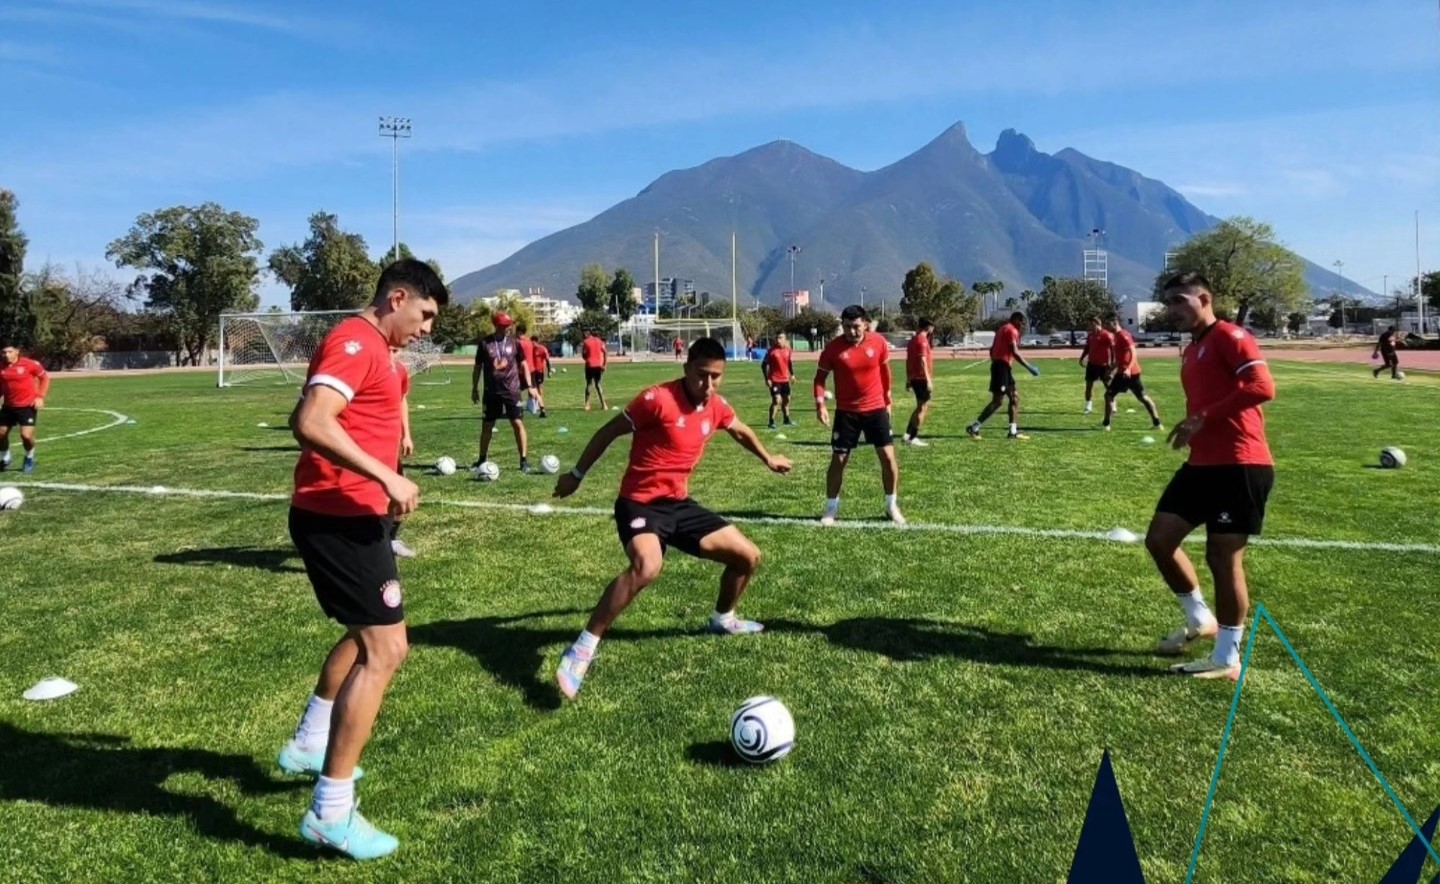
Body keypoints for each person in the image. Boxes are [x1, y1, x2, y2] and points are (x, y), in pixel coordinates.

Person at [278, 258, 446, 859]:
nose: (426, 327)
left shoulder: (380, 352)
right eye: (423, 314)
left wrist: (384, 485)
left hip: (355, 514)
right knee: (386, 648)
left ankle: (308, 742)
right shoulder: (355, 341)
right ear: (397, 297)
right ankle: (331, 810)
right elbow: (311, 421)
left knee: (364, 635)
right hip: (337, 517)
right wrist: (385, 477)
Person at [551, 338, 791, 699]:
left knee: (748, 556)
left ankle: (723, 619)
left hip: (678, 505)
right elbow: (607, 432)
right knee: (648, 566)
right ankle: (582, 648)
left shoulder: (716, 406)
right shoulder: (656, 400)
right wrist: (576, 475)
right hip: (640, 504)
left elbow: (740, 429)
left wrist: (768, 457)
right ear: (686, 368)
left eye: (716, 377)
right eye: (701, 375)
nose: (708, 385)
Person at [1145, 271, 1276, 680]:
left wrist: (1202, 417)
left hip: (1240, 465)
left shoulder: (1231, 337)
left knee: (1222, 558)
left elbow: (1261, 386)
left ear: (1205, 298)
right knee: (1160, 540)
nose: (1173, 310)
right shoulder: (1193, 348)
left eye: (1180, 300)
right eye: (1168, 303)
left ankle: (1226, 658)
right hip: (1203, 465)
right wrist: (1194, 426)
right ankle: (1200, 617)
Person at [814, 305, 904, 525]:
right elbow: (819, 380)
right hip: (847, 413)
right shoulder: (833, 349)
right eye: (846, 327)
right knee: (839, 459)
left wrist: (888, 401)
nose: (851, 332)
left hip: (876, 409)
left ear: (865, 324)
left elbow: (885, 373)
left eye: (855, 327)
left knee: (888, 457)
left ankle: (891, 505)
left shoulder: (879, 343)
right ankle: (831, 508)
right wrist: (820, 406)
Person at [471, 313, 531, 474]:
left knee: (517, 423)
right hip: (491, 391)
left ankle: (523, 460)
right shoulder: (485, 343)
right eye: (505, 324)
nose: (508, 327)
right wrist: (474, 388)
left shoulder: (515, 343)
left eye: (509, 324)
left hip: (512, 390)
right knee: (487, 426)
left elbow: (524, 364)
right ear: (496, 325)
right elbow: (477, 368)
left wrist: (530, 385)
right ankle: (482, 459)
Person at [966, 312, 1038, 441]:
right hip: (1002, 367)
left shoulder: (1001, 329)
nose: (1022, 326)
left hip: (1003, 367)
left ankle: (1013, 431)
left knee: (1014, 397)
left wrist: (997, 360)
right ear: (1016, 320)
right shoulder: (1011, 330)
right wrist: (1029, 367)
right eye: (1022, 322)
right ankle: (974, 427)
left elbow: (992, 350)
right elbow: (1015, 352)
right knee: (997, 401)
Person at [1102, 315, 1162, 431]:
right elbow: (1120, 358)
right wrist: (1110, 369)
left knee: (1109, 395)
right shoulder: (1116, 336)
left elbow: (1133, 353)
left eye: (1108, 324)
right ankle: (1157, 423)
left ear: (1114, 323)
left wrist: (1128, 368)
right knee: (1142, 397)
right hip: (1126, 372)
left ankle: (1106, 424)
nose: (1106, 327)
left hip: (1127, 373)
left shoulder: (1124, 335)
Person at [0, 343, 49, 474]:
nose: (6, 355)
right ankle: (5, 457)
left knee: (26, 436)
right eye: (4, 352)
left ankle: (29, 458)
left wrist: (40, 396)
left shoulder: (29, 364)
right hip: (8, 406)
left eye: (9, 352)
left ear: (17, 351)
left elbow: (44, 378)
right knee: (0, 434)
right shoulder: (1, 366)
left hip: (27, 406)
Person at [390, 349, 417, 558]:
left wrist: (406, 434)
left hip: (389, 444)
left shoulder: (399, 369)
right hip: (363, 445)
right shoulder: (363, 364)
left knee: (398, 490)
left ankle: (392, 539)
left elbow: (401, 401)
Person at [902, 319, 935, 446]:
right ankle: (913, 437)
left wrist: (908, 379)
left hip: (915, 378)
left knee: (920, 406)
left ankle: (907, 434)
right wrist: (928, 380)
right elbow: (922, 361)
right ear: (929, 327)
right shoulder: (922, 340)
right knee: (923, 407)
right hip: (921, 379)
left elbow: (909, 361)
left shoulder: (913, 340)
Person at [1078, 317, 1115, 415]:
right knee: (1088, 386)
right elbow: (1087, 347)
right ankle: (1088, 406)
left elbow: (1113, 350)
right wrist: (1082, 358)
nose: (1089, 326)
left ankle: (1113, 405)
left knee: (1108, 386)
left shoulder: (1107, 335)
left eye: (1090, 324)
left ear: (1096, 324)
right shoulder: (1090, 336)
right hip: (1092, 364)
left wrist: (1112, 365)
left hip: (1104, 365)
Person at [761, 333, 796, 429]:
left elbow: (789, 363)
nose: (778, 339)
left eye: (780, 338)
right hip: (774, 379)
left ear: (785, 339)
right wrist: (767, 378)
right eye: (777, 338)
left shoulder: (788, 350)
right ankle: (771, 422)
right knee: (776, 400)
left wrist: (792, 375)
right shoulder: (771, 351)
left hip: (785, 379)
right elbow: (763, 365)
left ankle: (786, 420)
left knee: (787, 400)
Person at [515, 322, 542, 416]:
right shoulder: (530, 342)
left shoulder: (518, 343)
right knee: (533, 389)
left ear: (518, 331)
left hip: (521, 370)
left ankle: (519, 409)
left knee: (516, 391)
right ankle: (541, 408)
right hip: (532, 369)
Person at [581, 330, 608, 411]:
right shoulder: (599, 341)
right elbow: (605, 352)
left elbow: (584, 354)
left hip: (589, 365)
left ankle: (587, 404)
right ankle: (604, 405)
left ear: (586, 335)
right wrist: (604, 364)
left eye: (583, 336)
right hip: (598, 365)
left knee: (589, 384)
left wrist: (586, 357)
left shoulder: (585, 342)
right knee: (598, 384)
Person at [529, 337, 551, 418]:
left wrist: (549, 371)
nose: (531, 344)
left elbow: (548, 360)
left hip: (539, 372)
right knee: (531, 387)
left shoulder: (542, 349)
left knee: (539, 388)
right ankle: (533, 405)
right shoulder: (531, 349)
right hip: (532, 371)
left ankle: (540, 404)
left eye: (532, 342)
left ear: (535, 341)